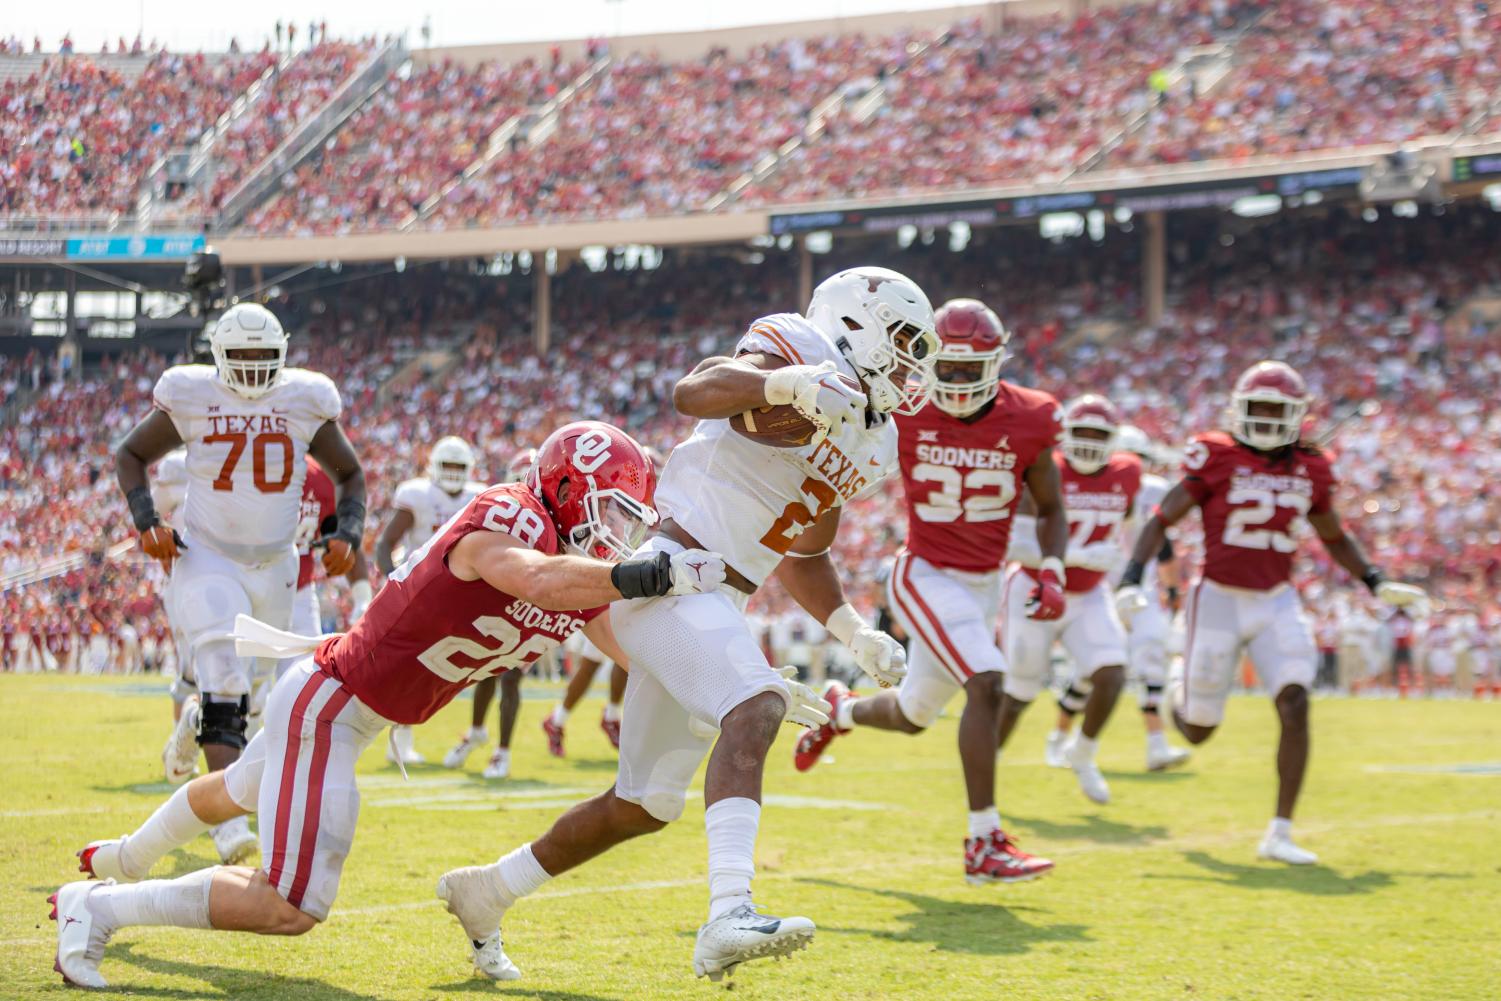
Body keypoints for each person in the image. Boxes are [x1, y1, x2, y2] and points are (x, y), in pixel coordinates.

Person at [53, 422, 726, 990]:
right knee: (291, 902)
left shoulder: (579, 577)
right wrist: (644, 574)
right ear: (569, 489)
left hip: (349, 702)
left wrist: (730, 687)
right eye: (608, 511)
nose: (613, 533)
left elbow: (631, 649)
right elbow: (532, 576)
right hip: (333, 705)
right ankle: (100, 906)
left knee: (239, 786)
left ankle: (124, 857)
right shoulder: (512, 515)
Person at [435, 266, 936, 982]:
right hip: (670, 574)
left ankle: (486, 890)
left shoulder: (874, 438)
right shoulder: (796, 344)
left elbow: (805, 550)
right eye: (906, 340)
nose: (914, 363)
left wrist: (853, 631)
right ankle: (729, 910)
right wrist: (788, 385)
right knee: (755, 704)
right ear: (857, 321)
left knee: (641, 804)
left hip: (717, 599)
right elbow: (694, 391)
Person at [790, 298, 1064, 882]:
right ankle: (983, 843)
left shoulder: (1032, 416)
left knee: (914, 714)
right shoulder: (903, 410)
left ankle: (840, 711)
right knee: (988, 682)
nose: (959, 380)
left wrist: (1054, 566)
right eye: (949, 367)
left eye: (972, 369)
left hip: (984, 584)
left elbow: (1051, 506)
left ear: (995, 364)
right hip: (924, 572)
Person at [1117, 361, 1425, 864]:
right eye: (1256, 407)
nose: (1263, 417)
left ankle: (1280, 831)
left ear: (1296, 415)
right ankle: (1180, 682)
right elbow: (1162, 517)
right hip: (1216, 598)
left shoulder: (1311, 467)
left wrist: (1375, 579)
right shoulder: (1215, 454)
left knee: (1295, 701)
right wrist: (1132, 575)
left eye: (1274, 409)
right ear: (1238, 410)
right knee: (1197, 729)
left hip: (1275, 599)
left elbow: (1333, 535)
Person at [119, 303, 364, 868]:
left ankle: (193, 724)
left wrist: (347, 531)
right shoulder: (191, 394)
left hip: (278, 563)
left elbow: (351, 473)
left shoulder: (305, 399)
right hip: (208, 555)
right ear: (218, 357)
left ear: (282, 355)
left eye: (263, 357)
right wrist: (145, 521)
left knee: (266, 701)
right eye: (242, 357)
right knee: (226, 679)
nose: (253, 368)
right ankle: (226, 825)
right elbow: (130, 454)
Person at [1004, 394, 1137, 805]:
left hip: (1089, 593)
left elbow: (1131, 532)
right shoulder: (1045, 468)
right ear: (1065, 434)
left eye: (1099, 434)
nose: (1090, 442)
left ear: (1115, 439)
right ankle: (983, 768)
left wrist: (1130, 583)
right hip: (1034, 585)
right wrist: (1076, 556)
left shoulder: (1128, 473)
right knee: (1020, 691)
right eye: (1082, 432)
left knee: (1112, 671)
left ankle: (1083, 752)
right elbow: (1015, 545)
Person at [1040, 419, 1191, 775]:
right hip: (1099, 588)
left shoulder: (1149, 490)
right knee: (1087, 673)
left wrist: (1169, 589)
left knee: (1152, 653)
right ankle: (1060, 738)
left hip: (1137, 588)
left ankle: (1157, 744)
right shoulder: (1083, 487)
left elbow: (1162, 543)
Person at [376, 435, 486, 765]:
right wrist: (395, 580)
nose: (453, 472)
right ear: (434, 467)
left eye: (458, 466)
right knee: (409, 668)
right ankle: (399, 741)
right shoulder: (416, 494)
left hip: (462, 596)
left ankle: (476, 733)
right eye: (447, 466)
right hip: (422, 593)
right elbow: (386, 543)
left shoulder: (479, 496)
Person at [441, 446, 533, 778]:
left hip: (531, 606)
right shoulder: (503, 511)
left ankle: (502, 752)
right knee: (486, 670)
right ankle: (478, 730)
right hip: (499, 601)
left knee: (510, 678)